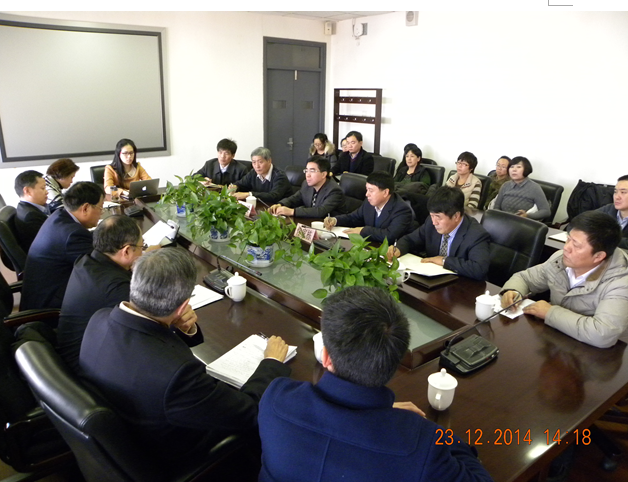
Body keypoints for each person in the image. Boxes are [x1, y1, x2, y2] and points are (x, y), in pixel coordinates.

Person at [258, 286, 494, 482]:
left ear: (326, 357)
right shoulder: (422, 446)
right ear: (393, 363)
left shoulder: (276, 399)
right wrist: (436, 435)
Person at [79, 248, 291, 464]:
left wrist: (177, 327)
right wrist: (272, 363)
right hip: (173, 457)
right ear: (182, 307)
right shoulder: (176, 376)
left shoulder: (99, 319)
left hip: (128, 436)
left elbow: (147, 343)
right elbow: (249, 413)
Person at [501, 210, 628, 348]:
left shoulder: (621, 283)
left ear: (598, 256)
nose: (566, 248)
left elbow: (602, 334)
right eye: (568, 239)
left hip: (597, 353)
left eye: (576, 245)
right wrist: (514, 291)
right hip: (558, 339)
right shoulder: (560, 260)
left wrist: (550, 313)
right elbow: (525, 278)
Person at [57, 215, 149, 373]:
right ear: (126, 251)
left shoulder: (86, 261)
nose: (143, 252)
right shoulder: (116, 288)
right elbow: (146, 331)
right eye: (142, 247)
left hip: (72, 352)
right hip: (86, 366)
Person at [20, 182, 104, 311]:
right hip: (51, 307)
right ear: (86, 208)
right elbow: (99, 270)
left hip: (45, 294)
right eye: (100, 207)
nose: (102, 213)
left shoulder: (59, 215)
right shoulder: (73, 234)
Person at [388, 186, 490, 280]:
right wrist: (398, 249)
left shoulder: (476, 235)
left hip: (461, 285)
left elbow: (479, 269)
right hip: (432, 281)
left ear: (456, 216)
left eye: (438, 217)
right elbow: (410, 239)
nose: (434, 222)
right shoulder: (431, 222)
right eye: (432, 216)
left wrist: (444, 261)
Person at [324, 171, 412, 244]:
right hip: (369, 245)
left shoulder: (401, 210)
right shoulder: (369, 202)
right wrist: (335, 220)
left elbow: (389, 236)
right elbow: (354, 217)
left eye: (371, 190)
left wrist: (363, 231)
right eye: (367, 190)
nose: (367, 194)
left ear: (385, 192)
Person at [268, 156, 345, 218]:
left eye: (312, 171)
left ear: (323, 174)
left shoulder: (334, 190)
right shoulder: (306, 184)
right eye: (306, 170)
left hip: (332, 228)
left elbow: (321, 211)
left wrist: (292, 211)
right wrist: (281, 204)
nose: (307, 175)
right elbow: (295, 198)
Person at [493, 156, 550, 221]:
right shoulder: (505, 185)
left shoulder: (534, 188)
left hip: (522, 223)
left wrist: (527, 216)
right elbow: (496, 207)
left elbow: (546, 211)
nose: (514, 170)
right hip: (502, 221)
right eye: (512, 167)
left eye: (518, 167)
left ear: (526, 169)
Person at [14, 170, 49, 252]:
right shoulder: (31, 216)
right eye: (43, 188)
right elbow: (51, 241)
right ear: (27, 191)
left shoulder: (24, 208)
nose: (47, 192)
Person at [596, 174, 628, 249]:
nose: (617, 197)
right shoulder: (609, 209)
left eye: (623, 192)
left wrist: (605, 238)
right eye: (615, 192)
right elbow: (580, 222)